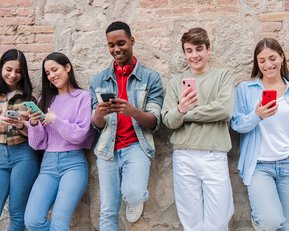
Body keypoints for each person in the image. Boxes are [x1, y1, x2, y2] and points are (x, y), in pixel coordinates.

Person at [90, 21, 163, 230]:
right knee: (107, 210)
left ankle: (133, 198)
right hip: (107, 150)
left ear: (132, 40)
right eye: (111, 45)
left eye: (121, 43)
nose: (116, 49)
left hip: (136, 145)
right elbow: (96, 125)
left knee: (133, 192)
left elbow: (154, 122)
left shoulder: (151, 78)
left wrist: (133, 111)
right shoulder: (98, 80)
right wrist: (99, 114)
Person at [161, 27, 234, 231]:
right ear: (184, 53)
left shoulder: (223, 76)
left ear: (208, 49)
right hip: (184, 155)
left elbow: (224, 109)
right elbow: (168, 120)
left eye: (199, 49)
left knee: (219, 220)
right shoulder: (176, 82)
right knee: (191, 222)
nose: (194, 55)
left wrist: (185, 112)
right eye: (189, 50)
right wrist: (179, 111)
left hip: (214, 154)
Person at [24, 52, 94, 230]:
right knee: (32, 220)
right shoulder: (44, 100)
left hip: (73, 164)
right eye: (47, 73)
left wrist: (55, 120)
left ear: (67, 68)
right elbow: (37, 143)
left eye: (54, 69)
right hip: (48, 165)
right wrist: (33, 123)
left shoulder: (83, 97)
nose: (52, 76)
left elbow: (79, 135)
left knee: (59, 224)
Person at [231, 38, 289, 231]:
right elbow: (237, 124)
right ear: (257, 63)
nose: (268, 64)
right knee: (270, 221)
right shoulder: (245, 90)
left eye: (272, 58)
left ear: (281, 57)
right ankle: (261, 222)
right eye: (261, 60)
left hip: (287, 163)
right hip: (259, 165)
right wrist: (257, 116)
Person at [0, 49, 39, 231]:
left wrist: (23, 125)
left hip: (23, 156)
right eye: (8, 69)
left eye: (18, 71)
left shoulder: (29, 99)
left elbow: (38, 136)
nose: (13, 75)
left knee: (17, 213)